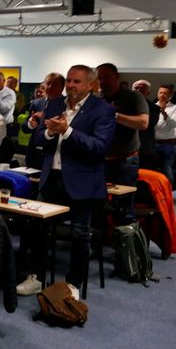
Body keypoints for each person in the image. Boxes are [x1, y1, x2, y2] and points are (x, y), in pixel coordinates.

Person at [33, 65, 114, 293]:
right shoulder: (55, 104)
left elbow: (99, 147)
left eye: (76, 81)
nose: (70, 85)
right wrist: (49, 132)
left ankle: (73, 284)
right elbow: (39, 137)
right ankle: (37, 277)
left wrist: (67, 132)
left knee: (79, 235)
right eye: (68, 81)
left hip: (81, 182)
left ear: (90, 85)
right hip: (51, 178)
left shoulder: (102, 110)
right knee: (39, 230)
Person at [96, 62, 148, 224]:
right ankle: (100, 245)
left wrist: (115, 115)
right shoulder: (98, 99)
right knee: (98, 205)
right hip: (101, 160)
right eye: (100, 78)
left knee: (124, 207)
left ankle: (125, 247)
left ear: (117, 77)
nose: (103, 81)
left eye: (106, 77)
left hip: (125, 161)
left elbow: (143, 123)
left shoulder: (133, 97)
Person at [25, 73, 66, 170]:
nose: (50, 87)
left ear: (62, 87)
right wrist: (30, 124)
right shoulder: (36, 103)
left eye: (54, 84)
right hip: (34, 152)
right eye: (48, 84)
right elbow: (24, 128)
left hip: (52, 154)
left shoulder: (67, 104)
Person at [132, 79, 160, 170]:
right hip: (126, 148)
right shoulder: (124, 104)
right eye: (136, 88)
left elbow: (148, 124)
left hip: (145, 148)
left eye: (142, 89)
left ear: (148, 92)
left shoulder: (154, 108)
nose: (138, 91)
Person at [0, 71, 16, 164]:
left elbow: (4, 108)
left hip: (5, 125)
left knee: (3, 153)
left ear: (4, 81)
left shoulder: (10, 93)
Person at [154, 84, 176, 184]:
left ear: (170, 95)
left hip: (168, 144)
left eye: (165, 93)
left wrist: (163, 112)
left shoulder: (174, 108)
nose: (162, 95)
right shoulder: (152, 106)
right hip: (153, 143)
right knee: (154, 170)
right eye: (160, 92)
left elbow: (173, 124)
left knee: (167, 169)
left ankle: (169, 194)